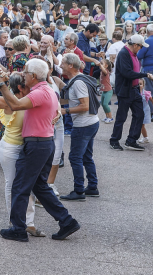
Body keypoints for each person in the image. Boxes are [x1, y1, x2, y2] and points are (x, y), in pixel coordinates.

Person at [0, 59, 81, 241]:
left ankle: (18, 228)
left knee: (20, 186)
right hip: (44, 142)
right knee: (40, 186)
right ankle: (66, 220)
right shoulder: (46, 89)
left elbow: (16, 105)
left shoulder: (40, 92)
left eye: (25, 73)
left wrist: (2, 84)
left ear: (33, 76)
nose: (23, 75)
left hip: (37, 144)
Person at [0, 73, 42, 236]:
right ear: (20, 88)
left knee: (29, 185)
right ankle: (15, 221)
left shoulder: (30, 99)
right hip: (10, 148)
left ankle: (29, 222)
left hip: (27, 147)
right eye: (27, 85)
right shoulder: (10, 100)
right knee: (11, 185)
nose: (31, 87)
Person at [58, 53, 100, 200]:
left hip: (83, 125)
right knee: (86, 156)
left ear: (70, 65)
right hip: (91, 122)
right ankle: (92, 187)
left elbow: (84, 106)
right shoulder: (77, 80)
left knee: (75, 157)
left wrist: (65, 110)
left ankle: (79, 190)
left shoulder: (78, 83)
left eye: (62, 62)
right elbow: (73, 100)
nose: (60, 65)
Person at [109, 34, 149, 152]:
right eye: (141, 47)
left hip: (134, 89)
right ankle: (114, 140)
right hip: (126, 90)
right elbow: (127, 73)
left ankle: (131, 140)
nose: (141, 49)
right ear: (136, 45)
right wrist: (144, 75)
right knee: (121, 117)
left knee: (139, 114)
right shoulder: (124, 54)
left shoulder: (133, 54)